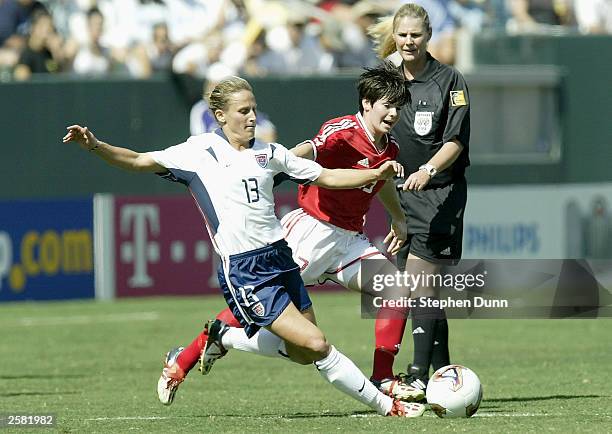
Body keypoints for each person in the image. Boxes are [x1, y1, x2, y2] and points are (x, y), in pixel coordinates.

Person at [62, 76, 424, 418]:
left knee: (306, 349)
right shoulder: (199, 151)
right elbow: (139, 160)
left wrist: (377, 177)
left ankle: (227, 337)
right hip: (255, 263)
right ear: (219, 116)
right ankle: (385, 403)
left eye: (254, 109)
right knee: (314, 343)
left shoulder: (269, 151)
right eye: (244, 111)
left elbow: (327, 176)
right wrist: (95, 145)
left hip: (285, 254)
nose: (253, 117)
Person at [170, 61, 424, 403]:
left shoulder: (388, 147)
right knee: (259, 303)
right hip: (311, 233)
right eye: (387, 105)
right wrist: (267, 171)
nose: (393, 113)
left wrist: (398, 217)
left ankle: (383, 377)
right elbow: (306, 152)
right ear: (367, 103)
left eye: (397, 106)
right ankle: (185, 358)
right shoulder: (342, 131)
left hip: (349, 242)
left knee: (397, 289)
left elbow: (382, 181)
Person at [368, 3, 471, 393]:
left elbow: (456, 141)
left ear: (428, 37)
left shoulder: (450, 80)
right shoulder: (384, 80)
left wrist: (427, 170)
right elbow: (371, 136)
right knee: (422, 290)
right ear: (394, 36)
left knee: (418, 286)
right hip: (399, 200)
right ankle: (446, 379)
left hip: (439, 195)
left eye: (416, 35)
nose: (409, 41)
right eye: (403, 35)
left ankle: (415, 375)